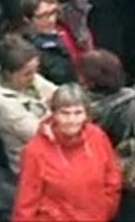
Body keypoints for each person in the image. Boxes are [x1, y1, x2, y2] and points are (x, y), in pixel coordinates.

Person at [12, 84, 121, 221]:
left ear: (86, 114)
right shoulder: (35, 151)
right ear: (54, 114)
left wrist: (105, 209)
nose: (72, 120)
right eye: (65, 113)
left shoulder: (97, 137)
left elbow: (112, 177)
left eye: (78, 113)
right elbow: (25, 203)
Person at [78, 50, 135, 221]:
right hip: (128, 178)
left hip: (97, 179)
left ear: (90, 81)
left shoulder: (82, 111)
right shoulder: (134, 105)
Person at [0, 35, 55, 174]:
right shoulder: (3, 105)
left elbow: (57, 94)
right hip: (30, 166)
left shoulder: (26, 78)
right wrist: (56, 112)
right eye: (27, 74)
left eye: (35, 70)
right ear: (9, 73)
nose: (33, 77)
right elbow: (42, 134)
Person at [11, 0, 78, 85]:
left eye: (53, 12)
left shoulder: (64, 29)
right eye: (42, 16)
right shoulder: (26, 50)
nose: (51, 20)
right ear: (28, 19)